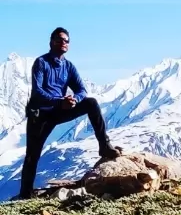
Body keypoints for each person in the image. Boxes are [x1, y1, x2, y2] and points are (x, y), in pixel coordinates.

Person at [17, 27, 120, 200]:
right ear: (51, 42)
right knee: (32, 155)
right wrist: (59, 101)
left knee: (91, 103)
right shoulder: (41, 63)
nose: (63, 43)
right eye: (59, 39)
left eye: (66, 40)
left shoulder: (68, 66)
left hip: (59, 110)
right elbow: (37, 92)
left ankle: (104, 145)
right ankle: (25, 193)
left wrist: (74, 100)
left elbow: (82, 90)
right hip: (40, 114)